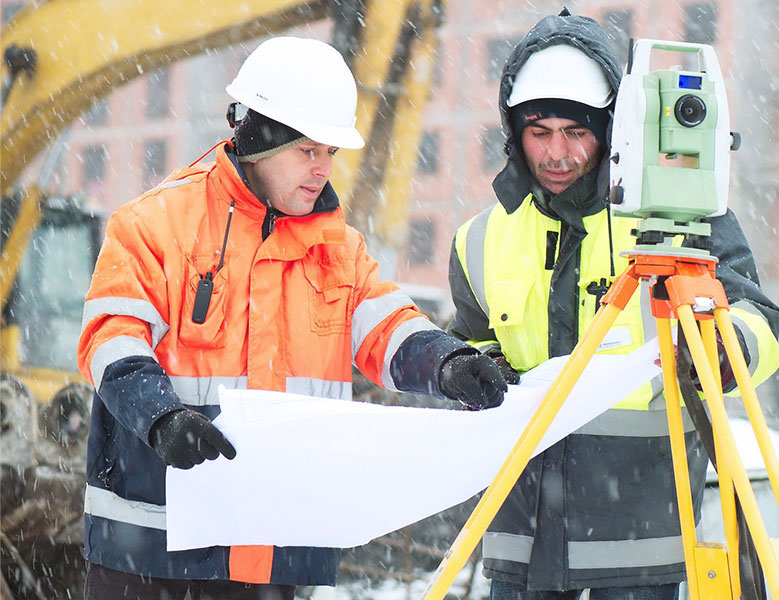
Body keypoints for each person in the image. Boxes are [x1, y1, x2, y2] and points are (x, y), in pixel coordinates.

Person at [76, 36, 509, 600]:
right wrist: (161, 418)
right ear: (259, 139)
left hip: (270, 549)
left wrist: (449, 364)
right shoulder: (154, 225)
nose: (322, 170)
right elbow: (111, 338)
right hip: (152, 545)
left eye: (330, 153)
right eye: (308, 151)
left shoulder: (338, 248)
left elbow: (388, 329)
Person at [446, 10, 779, 599]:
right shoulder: (480, 238)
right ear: (513, 131)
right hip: (519, 532)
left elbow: (758, 321)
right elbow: (474, 342)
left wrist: (723, 354)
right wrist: (472, 372)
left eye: (576, 132)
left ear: (612, 127)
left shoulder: (681, 216)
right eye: (540, 131)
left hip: (638, 534)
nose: (557, 153)